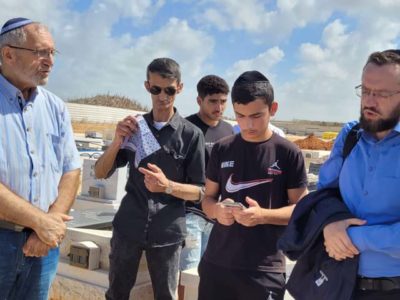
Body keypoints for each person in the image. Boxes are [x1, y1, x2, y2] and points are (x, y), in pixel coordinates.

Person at [94, 57, 205, 300]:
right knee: (116, 294)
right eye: (156, 89)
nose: (162, 96)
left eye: (169, 90)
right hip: (128, 226)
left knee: (165, 295)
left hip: (167, 232)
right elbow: (100, 172)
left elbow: (200, 192)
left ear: (180, 88)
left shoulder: (191, 135)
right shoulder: (134, 127)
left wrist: (168, 186)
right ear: (147, 87)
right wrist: (116, 142)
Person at [198, 70, 308, 300]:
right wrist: (217, 211)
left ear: (273, 109)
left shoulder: (288, 153)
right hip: (217, 263)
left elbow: (301, 209)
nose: (248, 124)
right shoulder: (222, 148)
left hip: (263, 268)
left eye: (256, 115)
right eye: (240, 116)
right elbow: (207, 199)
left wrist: (263, 215)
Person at [0, 18, 81, 300]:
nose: (49, 61)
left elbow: (71, 170)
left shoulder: (55, 107)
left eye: (52, 53)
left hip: (44, 245)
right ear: (8, 53)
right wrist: (42, 223)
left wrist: (49, 226)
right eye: (40, 52)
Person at [318, 49, 400, 300]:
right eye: (365, 90)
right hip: (339, 283)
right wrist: (329, 224)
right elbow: (323, 194)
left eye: (382, 94)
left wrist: (354, 237)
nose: (369, 101)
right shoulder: (350, 136)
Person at [178, 75, 233, 298]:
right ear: (199, 100)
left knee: (212, 274)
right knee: (188, 274)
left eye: (223, 101)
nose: (219, 107)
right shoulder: (185, 127)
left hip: (218, 216)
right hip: (190, 214)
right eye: (213, 101)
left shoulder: (229, 130)